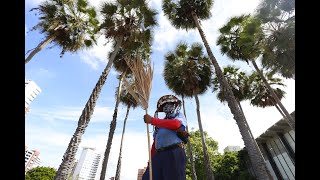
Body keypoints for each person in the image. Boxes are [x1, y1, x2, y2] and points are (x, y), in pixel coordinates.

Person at [142, 95, 189, 180]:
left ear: (175, 105)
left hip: (174, 152)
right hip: (158, 155)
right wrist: (151, 162)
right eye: (164, 105)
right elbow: (155, 144)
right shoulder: (159, 125)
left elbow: (176, 124)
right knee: (147, 177)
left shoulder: (178, 116)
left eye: (170, 103)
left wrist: (152, 120)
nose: (167, 106)